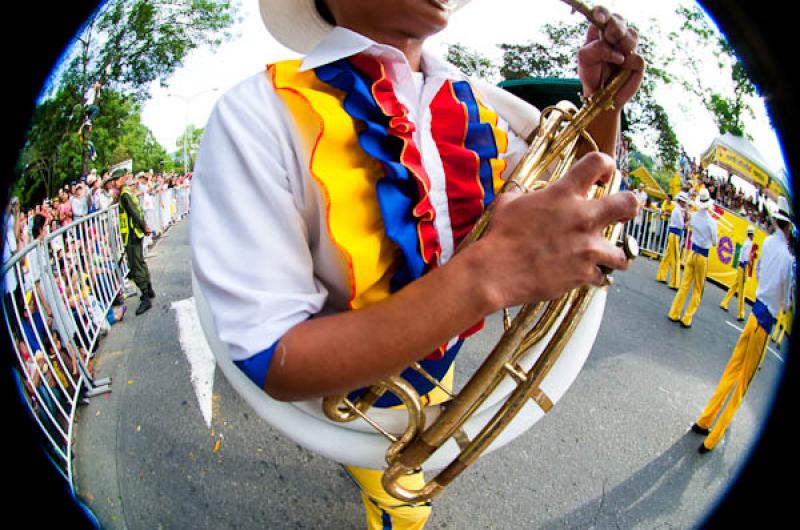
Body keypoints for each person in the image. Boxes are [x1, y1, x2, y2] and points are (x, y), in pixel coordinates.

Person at [191, 1, 643, 528]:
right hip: (353, 397)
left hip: (439, 376)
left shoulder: (477, 107)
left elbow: (568, 206)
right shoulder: (258, 112)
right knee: (405, 512)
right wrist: (485, 275)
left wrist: (603, 104)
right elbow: (273, 353)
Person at [692, 197, 795, 453]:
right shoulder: (788, 259)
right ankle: (712, 438)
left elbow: (758, 272)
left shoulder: (769, 243)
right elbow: (788, 302)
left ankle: (704, 420)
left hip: (754, 312)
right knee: (741, 385)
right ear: (789, 227)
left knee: (731, 371)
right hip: (766, 318)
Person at [103, 169, 155, 315]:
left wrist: (145, 227)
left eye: (114, 180)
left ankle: (145, 297)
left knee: (135, 266)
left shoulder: (125, 195)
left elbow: (134, 212)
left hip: (132, 235)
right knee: (140, 262)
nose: (112, 183)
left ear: (121, 179)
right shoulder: (124, 193)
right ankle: (149, 290)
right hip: (133, 234)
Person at [668, 187, 717, 328]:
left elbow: (689, 227)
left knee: (685, 285)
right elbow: (714, 242)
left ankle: (674, 312)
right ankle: (687, 317)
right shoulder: (712, 222)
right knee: (698, 289)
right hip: (702, 256)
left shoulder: (694, 217)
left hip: (692, 252)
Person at [719, 225, 755, 320]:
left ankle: (724, 302)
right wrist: (747, 270)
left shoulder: (746, 242)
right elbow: (746, 259)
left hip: (740, 266)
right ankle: (741, 313)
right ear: (752, 234)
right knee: (742, 292)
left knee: (734, 286)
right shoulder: (749, 243)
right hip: (743, 267)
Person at [656, 191, 688, 289]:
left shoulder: (678, 210)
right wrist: (688, 222)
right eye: (683, 202)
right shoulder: (678, 211)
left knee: (668, 256)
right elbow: (682, 225)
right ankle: (674, 282)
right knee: (675, 258)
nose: (684, 204)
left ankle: (661, 275)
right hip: (675, 234)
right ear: (680, 201)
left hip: (674, 234)